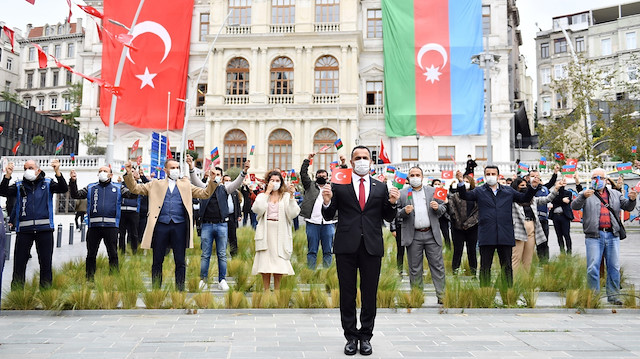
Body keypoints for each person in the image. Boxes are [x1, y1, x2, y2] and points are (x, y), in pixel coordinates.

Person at [321, 146, 399, 356]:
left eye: (365, 157)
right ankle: (350, 336)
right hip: (346, 245)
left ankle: (365, 336)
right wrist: (327, 201)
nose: (362, 160)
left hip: (372, 246)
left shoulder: (380, 187)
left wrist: (392, 203)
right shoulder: (340, 185)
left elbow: (388, 217)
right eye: (358, 158)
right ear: (352, 162)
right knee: (347, 294)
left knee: (369, 294)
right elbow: (329, 216)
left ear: (371, 162)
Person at [123, 159, 218, 291]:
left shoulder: (186, 185)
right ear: (165, 170)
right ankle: (156, 290)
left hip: (179, 226)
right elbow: (134, 188)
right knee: (157, 260)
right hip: (161, 226)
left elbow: (205, 193)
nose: (175, 170)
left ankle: (180, 290)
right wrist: (128, 173)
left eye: (177, 167)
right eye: (172, 167)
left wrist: (212, 181)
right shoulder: (155, 184)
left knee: (180, 260)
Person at [455, 167, 539, 287]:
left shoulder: (508, 191)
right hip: (487, 234)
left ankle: (507, 292)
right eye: (488, 174)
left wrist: (533, 187)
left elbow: (524, 198)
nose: (491, 176)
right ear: (484, 176)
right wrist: (460, 182)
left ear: (498, 175)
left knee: (507, 266)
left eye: (493, 173)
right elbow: (464, 196)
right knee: (485, 266)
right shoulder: (479, 191)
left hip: (505, 234)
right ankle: (485, 292)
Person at [571, 168, 637, 305]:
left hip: (612, 235)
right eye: (594, 178)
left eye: (600, 178)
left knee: (614, 266)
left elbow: (627, 207)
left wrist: (632, 200)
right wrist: (583, 196)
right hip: (594, 235)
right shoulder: (587, 194)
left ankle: (613, 296)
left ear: (606, 180)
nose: (597, 181)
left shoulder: (614, 194)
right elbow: (575, 206)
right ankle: (594, 297)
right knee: (592, 267)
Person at [0, 159, 68, 289]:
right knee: (19, 264)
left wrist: (57, 171)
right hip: (24, 231)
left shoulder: (48, 183)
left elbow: (63, 188)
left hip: (45, 230)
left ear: (38, 170)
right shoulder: (19, 185)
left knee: (45, 264)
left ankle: (45, 293)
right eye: (25, 168)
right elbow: (3, 191)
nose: (27, 171)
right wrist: (7, 175)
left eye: (30, 168)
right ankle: (17, 294)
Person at [187, 155, 249, 290]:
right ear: (209, 175)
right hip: (207, 225)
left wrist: (244, 172)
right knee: (205, 254)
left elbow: (237, 183)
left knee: (222, 254)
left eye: (217, 174)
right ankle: (203, 279)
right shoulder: (204, 187)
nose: (214, 176)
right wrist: (191, 167)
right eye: (212, 174)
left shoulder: (225, 189)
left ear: (221, 177)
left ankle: (222, 280)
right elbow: (194, 180)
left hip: (222, 225)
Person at [70, 167, 132, 280]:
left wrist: (129, 176)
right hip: (94, 227)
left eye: (105, 171)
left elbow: (133, 195)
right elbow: (76, 195)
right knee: (91, 254)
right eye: (100, 171)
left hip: (111, 227)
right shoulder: (91, 187)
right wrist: (73, 181)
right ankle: (89, 278)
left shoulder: (118, 188)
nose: (102, 173)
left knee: (113, 254)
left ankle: (113, 278)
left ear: (111, 175)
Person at [397, 166, 446, 303]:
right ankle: (417, 296)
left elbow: (443, 209)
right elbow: (396, 213)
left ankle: (442, 296)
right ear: (408, 178)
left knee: (437, 266)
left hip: (431, 234)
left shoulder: (433, 191)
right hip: (413, 236)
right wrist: (404, 212)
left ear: (422, 177)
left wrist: (438, 208)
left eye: (417, 175)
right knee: (414, 268)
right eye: (412, 175)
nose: (415, 177)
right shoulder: (402, 193)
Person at [251, 170, 300, 291]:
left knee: (279, 264)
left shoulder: (286, 196)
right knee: (265, 264)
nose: (275, 183)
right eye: (272, 180)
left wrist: (292, 196)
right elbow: (257, 209)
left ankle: (277, 292)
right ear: (268, 182)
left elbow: (292, 213)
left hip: (281, 232)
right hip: (266, 231)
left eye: (277, 181)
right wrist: (267, 192)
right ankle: (266, 292)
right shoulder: (262, 196)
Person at [510, 177, 562, 272]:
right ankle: (512, 283)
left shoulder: (532, 199)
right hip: (518, 231)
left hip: (532, 229)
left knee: (528, 259)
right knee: (515, 258)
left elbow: (546, 199)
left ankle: (525, 282)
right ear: (516, 187)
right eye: (522, 186)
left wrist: (556, 189)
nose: (524, 187)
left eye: (526, 185)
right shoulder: (512, 200)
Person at [299, 152, 336, 269]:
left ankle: (327, 273)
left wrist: (343, 164)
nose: (321, 177)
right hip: (312, 222)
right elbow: (303, 173)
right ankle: (311, 273)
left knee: (328, 251)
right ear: (315, 177)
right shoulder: (310, 186)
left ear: (327, 177)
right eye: (319, 175)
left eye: (324, 175)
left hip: (328, 223)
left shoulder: (332, 187)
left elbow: (343, 178)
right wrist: (307, 160)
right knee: (312, 251)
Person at [447, 175, 479, 276]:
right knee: (458, 250)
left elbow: (478, 212)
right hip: (457, 228)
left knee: (472, 251)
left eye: (467, 181)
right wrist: (459, 223)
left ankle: (473, 273)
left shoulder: (476, 196)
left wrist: (468, 223)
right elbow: (452, 210)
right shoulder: (454, 196)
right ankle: (455, 272)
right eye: (463, 181)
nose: (465, 183)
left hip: (473, 227)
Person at [528, 166, 559, 263]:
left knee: (543, 242)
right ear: (528, 178)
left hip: (543, 219)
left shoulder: (544, 188)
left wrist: (555, 172)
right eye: (533, 176)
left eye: (537, 176)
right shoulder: (527, 190)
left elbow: (551, 183)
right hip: (532, 220)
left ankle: (544, 263)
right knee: (530, 243)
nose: (535, 178)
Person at [550, 178, 574, 254]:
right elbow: (553, 200)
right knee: (559, 235)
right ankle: (562, 251)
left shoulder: (568, 192)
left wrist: (559, 200)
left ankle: (569, 251)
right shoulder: (553, 193)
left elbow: (567, 201)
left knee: (566, 234)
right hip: (555, 216)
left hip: (565, 216)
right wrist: (561, 200)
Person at [118, 182, 141, 255]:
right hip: (122, 211)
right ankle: (121, 251)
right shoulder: (120, 185)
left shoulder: (137, 185)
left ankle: (134, 251)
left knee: (134, 233)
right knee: (121, 234)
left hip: (134, 212)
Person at [224, 174, 242, 258]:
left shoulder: (234, 192)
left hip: (232, 217)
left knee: (233, 236)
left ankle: (234, 253)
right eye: (226, 180)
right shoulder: (221, 191)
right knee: (223, 236)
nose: (228, 182)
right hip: (223, 217)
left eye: (229, 180)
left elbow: (237, 204)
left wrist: (239, 215)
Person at [431, 179, 451, 251]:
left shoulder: (445, 194)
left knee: (446, 234)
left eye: (438, 184)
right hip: (434, 216)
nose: (437, 185)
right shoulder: (430, 194)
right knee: (434, 234)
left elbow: (449, 206)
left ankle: (448, 248)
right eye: (435, 184)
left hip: (443, 217)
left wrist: (446, 202)